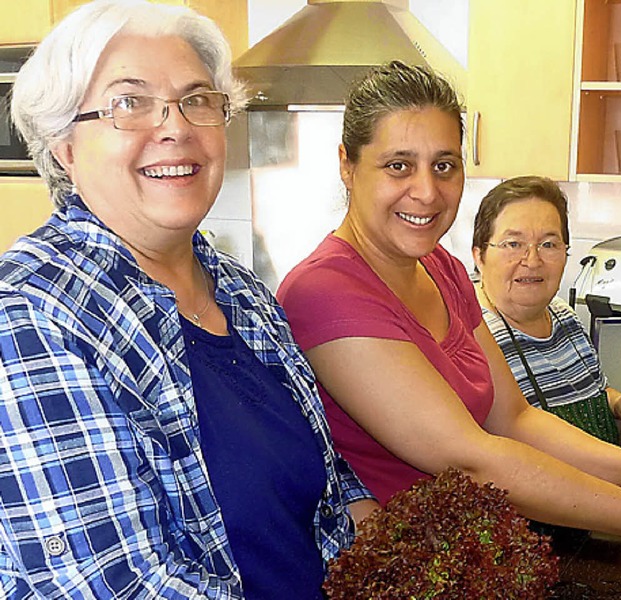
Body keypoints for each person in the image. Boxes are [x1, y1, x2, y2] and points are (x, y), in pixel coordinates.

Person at [0, 1, 376, 598]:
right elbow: (122, 584)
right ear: (65, 145)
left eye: (197, 99)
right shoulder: (31, 314)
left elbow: (319, 482)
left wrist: (386, 539)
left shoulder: (242, 292)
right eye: (130, 102)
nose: (174, 127)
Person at [277, 60, 621, 543]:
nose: (427, 191)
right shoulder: (325, 292)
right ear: (347, 164)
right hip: (402, 571)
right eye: (398, 165)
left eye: (443, 165)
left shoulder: (440, 267)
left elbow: (514, 419)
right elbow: (469, 459)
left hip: (476, 549)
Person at [471, 175, 621, 446]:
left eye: (548, 244)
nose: (532, 260)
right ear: (479, 255)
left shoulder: (563, 315)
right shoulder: (473, 335)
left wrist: (620, 405)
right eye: (513, 244)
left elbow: (594, 396)